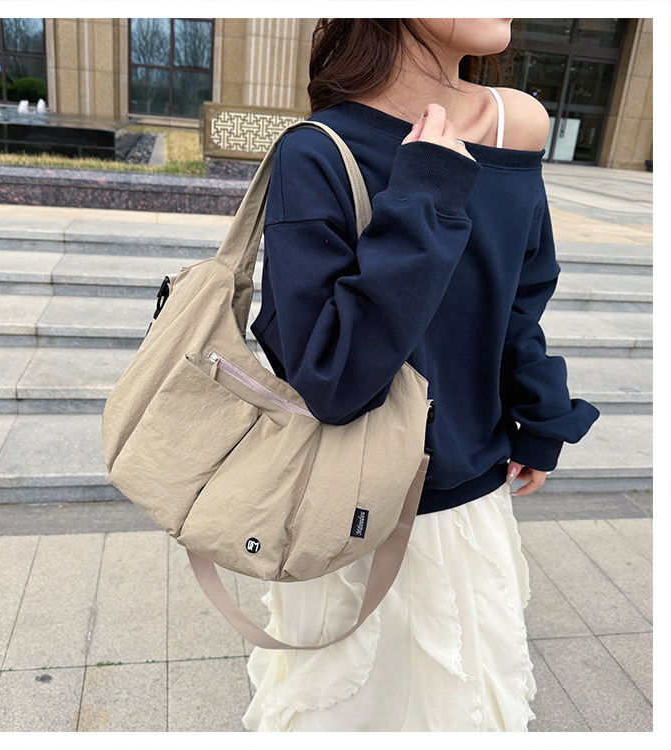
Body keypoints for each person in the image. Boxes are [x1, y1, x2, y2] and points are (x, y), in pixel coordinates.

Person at [242, 18, 599, 732]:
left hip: (471, 497)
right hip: (352, 511)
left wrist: (541, 418)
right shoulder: (319, 149)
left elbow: (517, 300)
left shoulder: (517, 122)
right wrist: (425, 194)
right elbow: (332, 378)